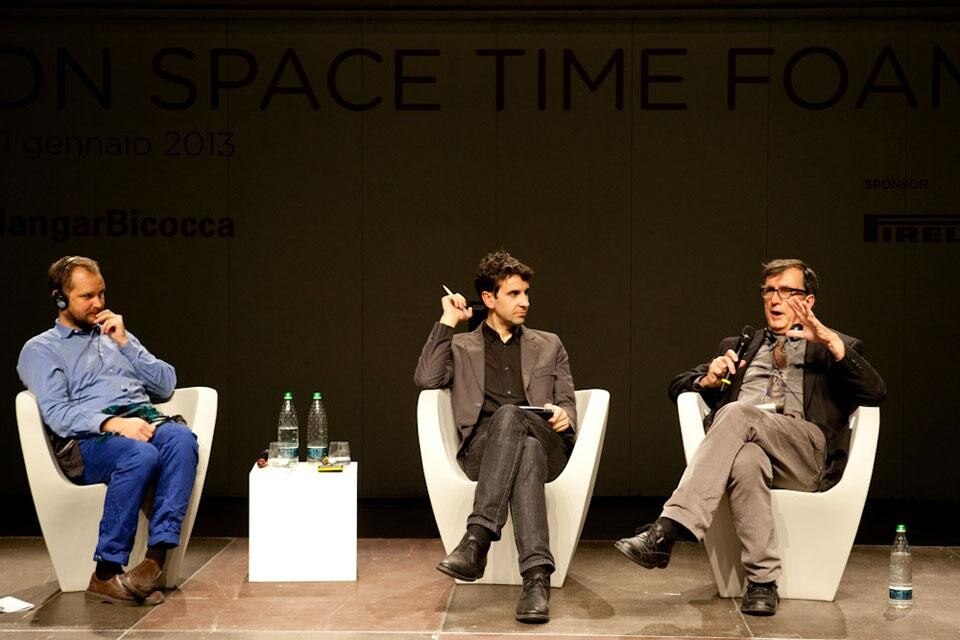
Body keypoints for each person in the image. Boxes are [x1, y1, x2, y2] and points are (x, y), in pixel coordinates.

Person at [615, 259, 885, 616]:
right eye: (769, 291)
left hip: (803, 451)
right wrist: (708, 380)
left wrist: (832, 342)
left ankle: (667, 528)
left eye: (787, 292)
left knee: (737, 413)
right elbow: (676, 387)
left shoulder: (830, 346)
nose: (776, 299)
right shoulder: (741, 345)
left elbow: (876, 392)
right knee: (745, 460)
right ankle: (762, 583)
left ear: (809, 300)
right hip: (748, 445)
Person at [17, 256, 199, 606]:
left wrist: (126, 343)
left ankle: (154, 561)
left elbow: (166, 384)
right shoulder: (41, 349)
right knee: (140, 453)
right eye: (87, 296)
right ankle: (105, 571)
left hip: (141, 420)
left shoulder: (114, 334)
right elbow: (56, 413)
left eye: (101, 293)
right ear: (59, 299)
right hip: (89, 441)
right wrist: (113, 424)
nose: (99, 303)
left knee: (180, 438)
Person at [414, 250, 577, 623]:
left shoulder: (549, 343)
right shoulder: (462, 346)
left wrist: (565, 416)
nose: (525, 302)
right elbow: (426, 379)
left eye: (526, 294)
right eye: (514, 294)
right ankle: (536, 579)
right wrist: (447, 320)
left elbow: (568, 402)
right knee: (526, 449)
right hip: (483, 454)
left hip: (547, 440)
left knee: (519, 426)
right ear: (489, 299)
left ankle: (477, 540)